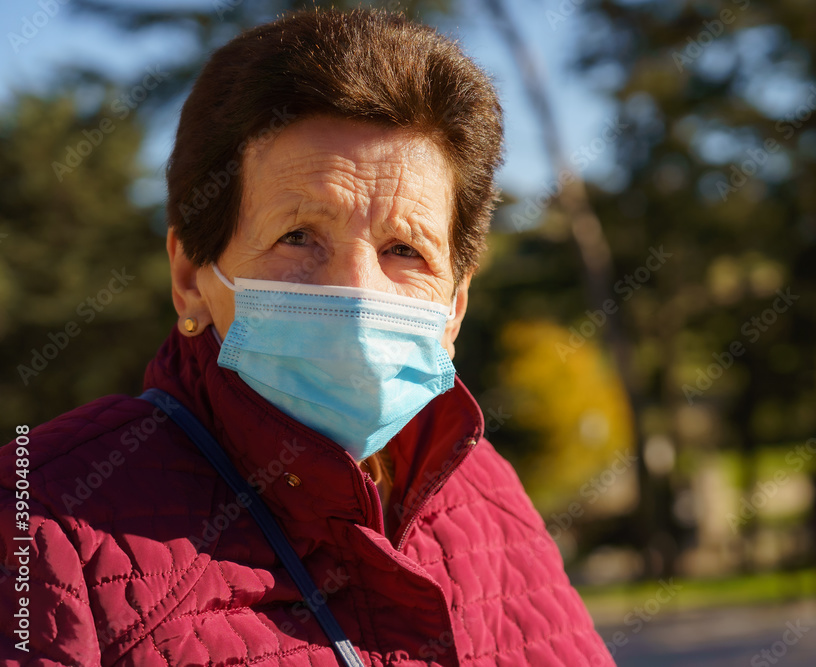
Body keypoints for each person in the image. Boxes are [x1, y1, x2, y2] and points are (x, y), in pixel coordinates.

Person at [0, 8, 615, 667]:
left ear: (456, 306)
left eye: (405, 249)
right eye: (297, 236)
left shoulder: (487, 492)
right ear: (188, 279)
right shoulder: (39, 522)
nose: (358, 292)